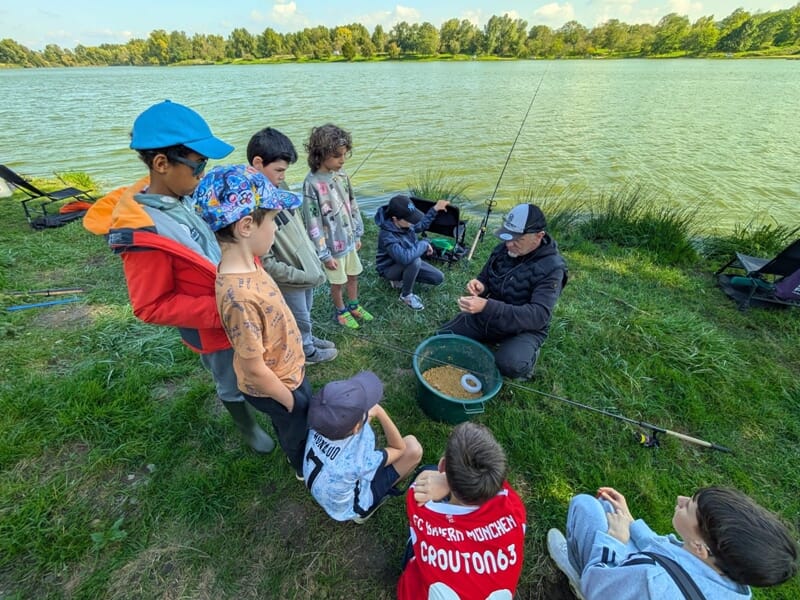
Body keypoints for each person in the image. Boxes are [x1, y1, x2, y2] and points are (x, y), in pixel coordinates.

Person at [82, 100, 275, 455]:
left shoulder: (185, 195)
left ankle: (267, 398)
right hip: (213, 325)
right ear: (161, 164)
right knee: (229, 378)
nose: (203, 174)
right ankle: (245, 424)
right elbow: (150, 306)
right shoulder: (144, 232)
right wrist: (222, 311)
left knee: (256, 361)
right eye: (199, 166)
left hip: (237, 304)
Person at [192, 164, 313, 480]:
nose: (276, 228)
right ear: (246, 225)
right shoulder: (239, 298)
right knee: (295, 427)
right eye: (273, 220)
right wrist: (289, 401)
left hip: (287, 370)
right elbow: (254, 369)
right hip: (278, 385)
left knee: (296, 418)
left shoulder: (248, 263)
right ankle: (301, 466)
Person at [548, 486, 798, 600]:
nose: (680, 499)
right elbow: (672, 557)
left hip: (608, 586)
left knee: (588, 506)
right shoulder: (736, 583)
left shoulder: (649, 578)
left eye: (689, 506)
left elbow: (601, 587)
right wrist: (631, 522)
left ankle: (576, 573)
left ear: (701, 548)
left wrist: (614, 540)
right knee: (608, 508)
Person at [397, 421, 526, 599]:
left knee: (427, 471)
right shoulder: (514, 506)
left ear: (442, 466)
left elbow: (419, 487)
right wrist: (449, 480)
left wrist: (443, 479)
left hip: (419, 593)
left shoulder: (424, 511)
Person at [438, 203, 567, 379]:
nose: (509, 244)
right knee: (442, 337)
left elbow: (538, 315)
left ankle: (528, 356)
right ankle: (489, 338)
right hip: (493, 316)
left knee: (510, 365)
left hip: (525, 328)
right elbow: (485, 277)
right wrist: (480, 286)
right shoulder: (503, 249)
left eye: (518, 239)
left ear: (539, 236)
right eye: (508, 237)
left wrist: (487, 306)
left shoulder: (552, 268)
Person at [246, 127, 336, 364]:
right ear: (257, 163)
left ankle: (306, 338)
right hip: (289, 275)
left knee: (305, 311)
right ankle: (305, 351)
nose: (283, 176)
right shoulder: (252, 205)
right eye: (278, 170)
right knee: (296, 315)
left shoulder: (279, 187)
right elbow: (265, 262)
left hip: (305, 265)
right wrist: (298, 275)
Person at [303, 371, 422, 523]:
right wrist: (379, 412)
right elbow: (399, 449)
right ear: (356, 427)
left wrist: (363, 416)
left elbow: (352, 426)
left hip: (321, 486)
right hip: (350, 506)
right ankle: (363, 513)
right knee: (413, 447)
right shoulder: (360, 459)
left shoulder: (317, 424)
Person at [302, 123, 373, 329]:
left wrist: (357, 234)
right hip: (332, 247)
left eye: (344, 155)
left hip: (349, 240)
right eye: (336, 156)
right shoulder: (311, 184)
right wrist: (324, 253)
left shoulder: (342, 176)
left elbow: (353, 204)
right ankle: (341, 310)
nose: (342, 160)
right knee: (337, 281)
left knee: (353, 275)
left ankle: (354, 304)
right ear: (320, 154)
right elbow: (312, 220)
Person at [374, 194, 449, 310]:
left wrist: (435, 209)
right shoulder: (387, 235)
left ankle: (402, 278)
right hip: (389, 269)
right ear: (395, 219)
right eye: (409, 219)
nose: (412, 222)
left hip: (405, 262)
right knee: (414, 260)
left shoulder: (405, 224)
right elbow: (405, 258)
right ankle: (406, 296)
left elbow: (421, 225)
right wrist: (424, 244)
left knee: (438, 278)